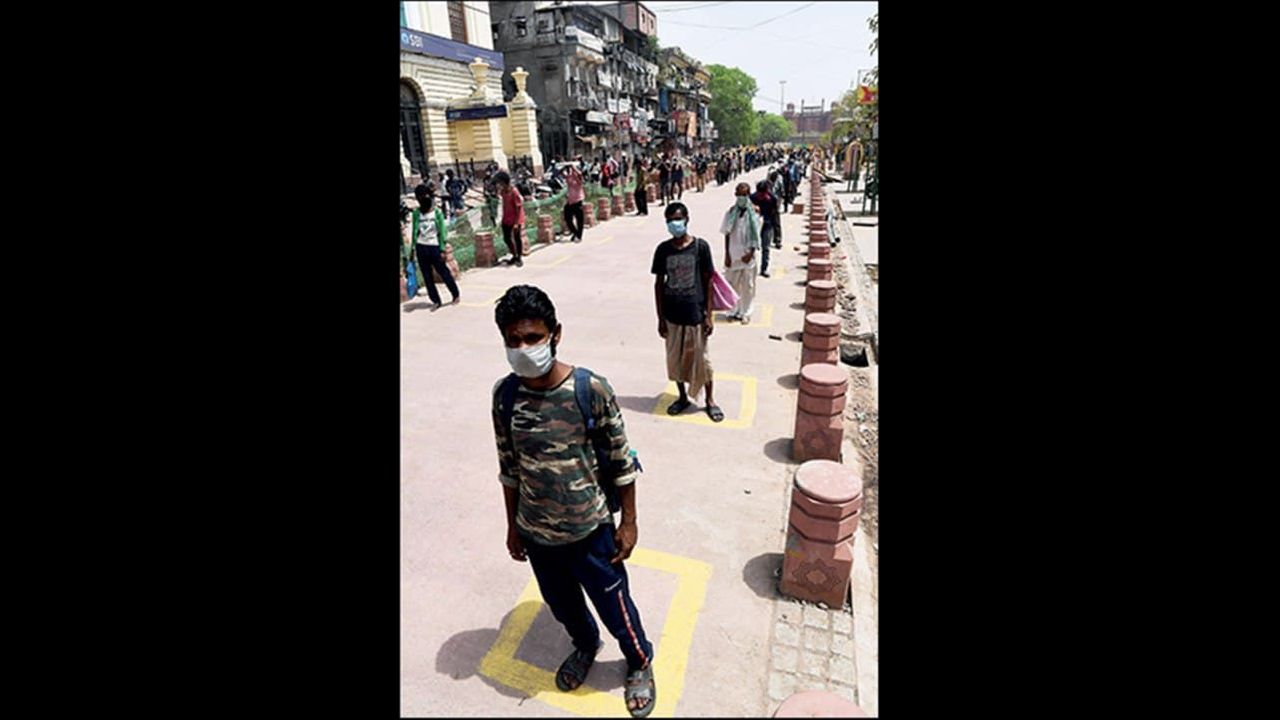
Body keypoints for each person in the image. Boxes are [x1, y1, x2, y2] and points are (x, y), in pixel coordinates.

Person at [490, 285, 657, 718]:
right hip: (537, 535)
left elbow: (621, 462)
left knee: (616, 607)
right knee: (563, 606)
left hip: (590, 532)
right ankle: (585, 645)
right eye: (513, 340)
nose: (523, 348)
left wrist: (629, 523)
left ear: (556, 334)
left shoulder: (589, 389)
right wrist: (513, 527)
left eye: (533, 337)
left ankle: (639, 660)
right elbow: (509, 469)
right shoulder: (505, 397)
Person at [651, 202, 721, 423]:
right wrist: (660, 318)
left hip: (695, 315)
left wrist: (709, 315)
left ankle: (710, 400)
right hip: (672, 316)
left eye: (677, 219)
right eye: (670, 220)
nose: (674, 224)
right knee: (676, 361)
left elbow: (708, 282)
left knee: (702, 362)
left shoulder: (701, 247)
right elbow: (658, 284)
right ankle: (682, 397)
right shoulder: (663, 250)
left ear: (687, 219)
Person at [408, 184, 460, 308]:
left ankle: (455, 294)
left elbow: (442, 232)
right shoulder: (416, 213)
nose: (421, 199)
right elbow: (415, 232)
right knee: (427, 276)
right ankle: (436, 300)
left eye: (423, 196)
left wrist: (442, 249)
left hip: (434, 247)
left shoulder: (437, 213)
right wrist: (412, 250)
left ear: (429, 197)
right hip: (421, 247)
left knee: (443, 272)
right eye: (419, 197)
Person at [720, 183, 761, 323]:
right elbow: (726, 233)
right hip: (733, 255)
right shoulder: (731, 213)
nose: (741, 197)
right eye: (739, 194)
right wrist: (727, 254)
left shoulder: (754, 213)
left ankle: (746, 312)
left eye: (744, 195)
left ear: (749, 195)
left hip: (748, 257)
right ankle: (733, 310)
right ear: (735, 195)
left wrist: (750, 253)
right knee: (732, 285)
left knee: (748, 286)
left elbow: (756, 235)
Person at [495, 170, 526, 267]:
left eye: (500, 183)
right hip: (507, 218)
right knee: (507, 238)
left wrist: (517, 223)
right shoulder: (503, 192)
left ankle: (519, 257)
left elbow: (518, 207)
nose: (499, 185)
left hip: (516, 218)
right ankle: (514, 254)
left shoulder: (514, 192)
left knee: (517, 238)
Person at [750, 179, 780, 278]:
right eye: (759, 194)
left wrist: (776, 232)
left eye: (763, 194)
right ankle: (750, 268)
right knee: (751, 246)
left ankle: (764, 268)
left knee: (765, 247)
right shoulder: (752, 198)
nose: (761, 196)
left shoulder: (772, 199)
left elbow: (775, 214)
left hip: (767, 225)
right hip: (754, 225)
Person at [563, 161, 586, 243]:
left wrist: (574, 168)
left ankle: (579, 236)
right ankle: (575, 232)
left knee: (579, 220)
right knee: (567, 218)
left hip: (578, 201)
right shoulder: (569, 177)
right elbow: (563, 174)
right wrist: (565, 167)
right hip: (570, 201)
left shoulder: (579, 180)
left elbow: (580, 174)